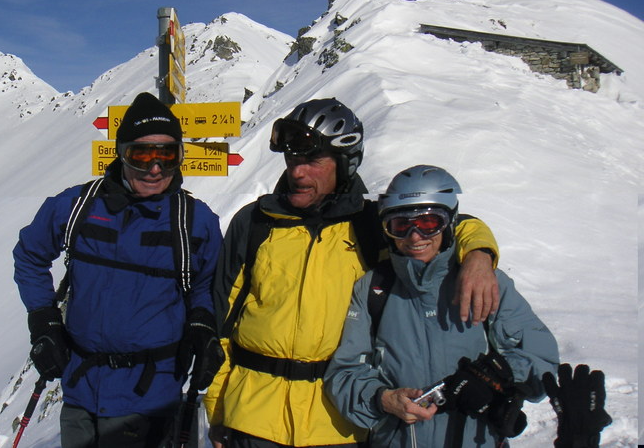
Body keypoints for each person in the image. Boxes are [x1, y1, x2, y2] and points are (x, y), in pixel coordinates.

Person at [204, 99, 502, 448]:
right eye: (292, 159)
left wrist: (480, 254)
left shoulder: (372, 225)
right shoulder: (255, 222)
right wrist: (217, 408)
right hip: (251, 420)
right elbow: (221, 323)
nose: (298, 172)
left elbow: (446, 224)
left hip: (340, 423)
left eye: (313, 161)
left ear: (345, 163)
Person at [13, 91, 224, 448]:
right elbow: (30, 256)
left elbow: (207, 283)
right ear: (121, 154)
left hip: (152, 398)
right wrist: (43, 318)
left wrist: (202, 322)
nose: (155, 168)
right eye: (141, 155)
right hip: (81, 390)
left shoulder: (194, 221)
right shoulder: (76, 206)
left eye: (167, 155)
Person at [324, 165, 560, 446]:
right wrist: (383, 399)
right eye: (400, 225)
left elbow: (541, 358)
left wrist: (497, 375)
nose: (414, 236)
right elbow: (345, 373)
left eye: (428, 223)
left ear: (450, 222)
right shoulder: (374, 289)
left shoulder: (484, 281)